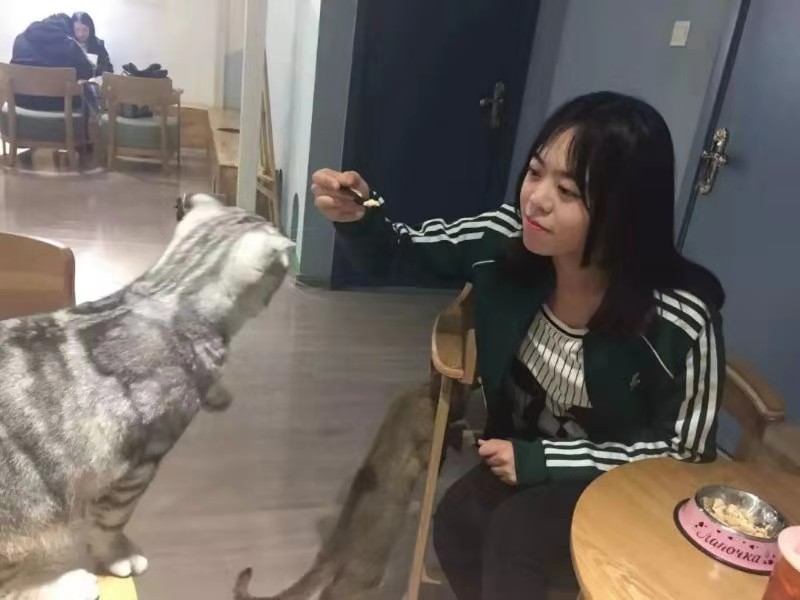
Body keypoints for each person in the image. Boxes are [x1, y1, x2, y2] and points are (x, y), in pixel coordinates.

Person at [311, 92, 725, 599]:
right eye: (535, 172)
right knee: (457, 522)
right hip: (518, 451)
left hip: (611, 478)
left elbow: (684, 455)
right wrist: (360, 217)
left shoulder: (680, 318)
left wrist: (545, 462)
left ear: (625, 212)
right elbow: (401, 248)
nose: (536, 200)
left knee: (516, 538)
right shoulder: (505, 238)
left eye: (567, 191)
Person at [10, 13, 94, 111]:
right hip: (60, 107)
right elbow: (88, 72)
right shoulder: (71, 45)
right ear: (68, 30)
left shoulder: (20, 39)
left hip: (21, 103)